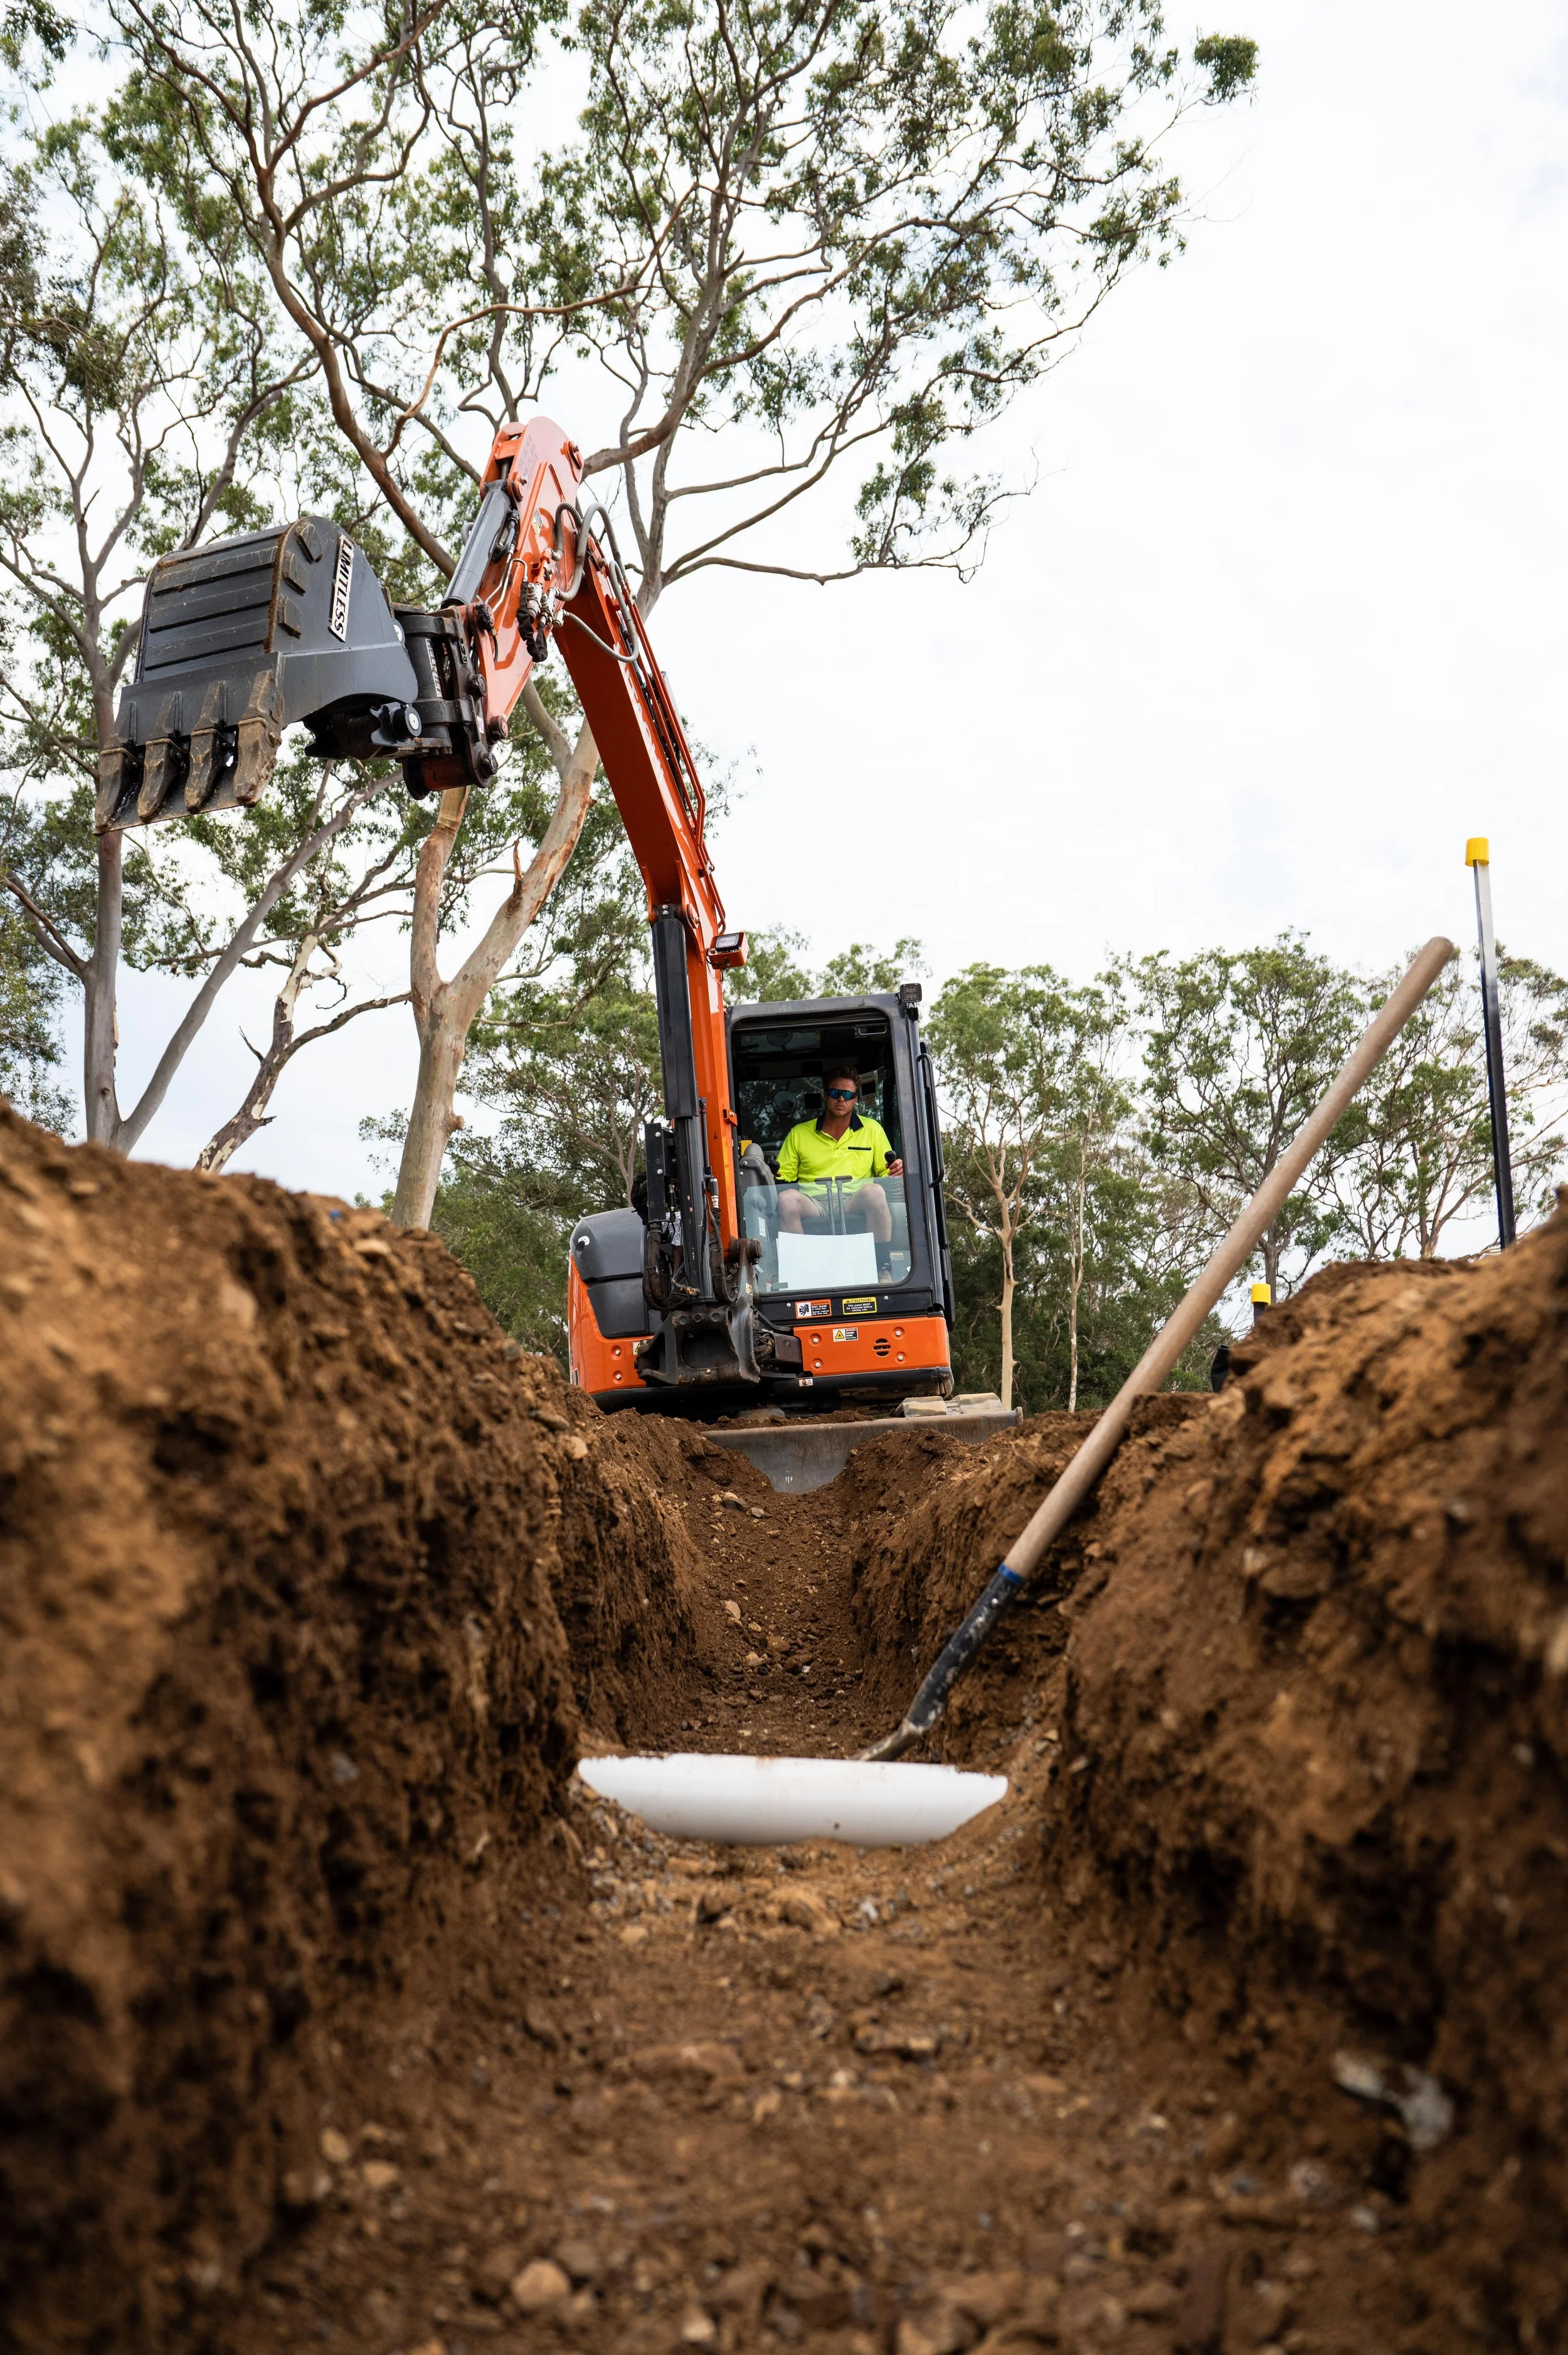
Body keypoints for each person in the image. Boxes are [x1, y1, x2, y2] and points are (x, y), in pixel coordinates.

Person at [776, 1063, 904, 1277]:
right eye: (835, 1093)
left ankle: (883, 1268)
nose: (841, 1099)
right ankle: (799, 1272)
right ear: (825, 1096)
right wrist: (769, 1173)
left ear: (856, 1099)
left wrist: (896, 1168)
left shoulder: (872, 1129)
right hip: (815, 1203)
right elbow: (782, 1176)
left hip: (853, 1200)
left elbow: (886, 1174)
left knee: (875, 1192)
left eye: (847, 1094)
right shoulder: (799, 1133)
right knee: (787, 1199)